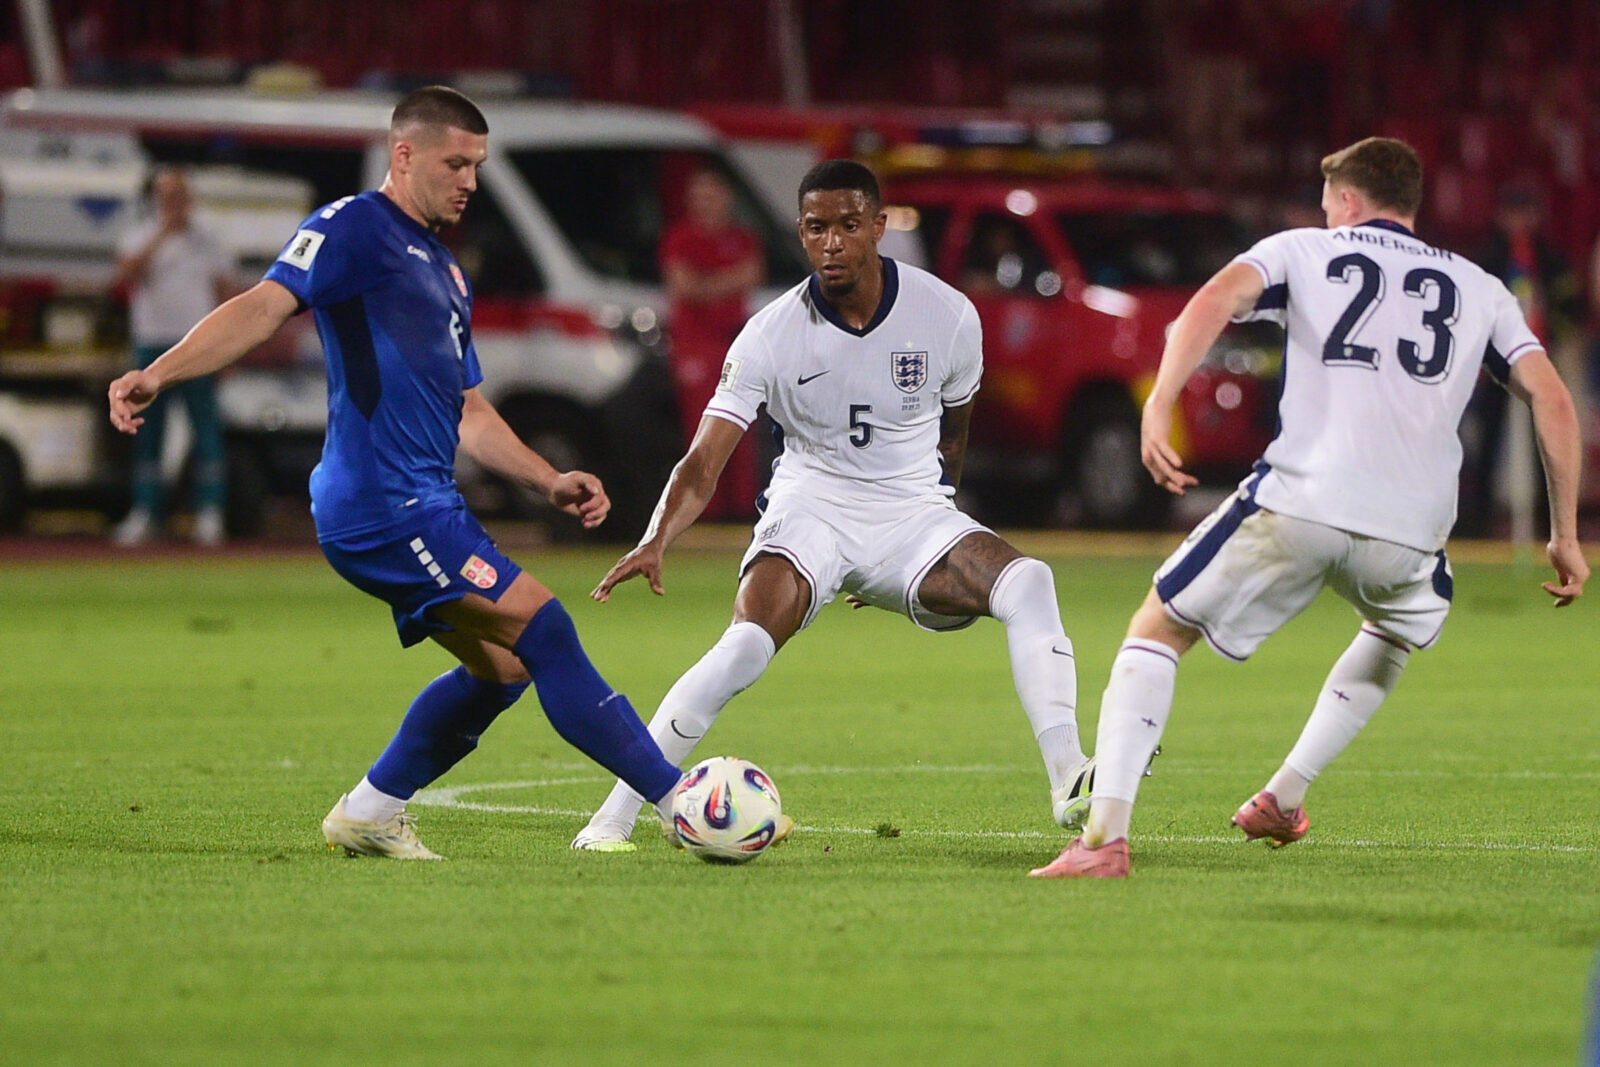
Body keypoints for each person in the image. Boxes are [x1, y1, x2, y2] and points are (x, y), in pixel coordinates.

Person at [108, 86, 684, 860]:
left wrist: (546, 478)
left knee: (504, 667)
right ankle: (686, 804)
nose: (470, 181)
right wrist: (162, 372)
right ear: (403, 155)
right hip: (384, 503)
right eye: (456, 163)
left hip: (425, 503)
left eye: (477, 166)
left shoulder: (447, 272)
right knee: (546, 629)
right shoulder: (351, 228)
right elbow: (262, 305)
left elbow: (469, 412)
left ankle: (371, 809)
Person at [1030, 137, 1589, 879]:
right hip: (1415, 528)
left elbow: (1214, 298)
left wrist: (1160, 398)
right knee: (1395, 627)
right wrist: (1566, 532)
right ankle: (1284, 795)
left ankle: (1102, 841)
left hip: (1303, 499)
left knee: (1158, 628)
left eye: (1331, 205)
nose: (1327, 217)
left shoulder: (1303, 249)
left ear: (1349, 201)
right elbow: (1551, 395)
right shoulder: (1480, 286)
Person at [570, 159, 1092, 852]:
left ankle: (1070, 781)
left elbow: (954, 434)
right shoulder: (770, 333)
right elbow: (705, 459)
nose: (834, 242)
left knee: (1030, 580)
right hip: (811, 509)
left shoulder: (947, 315)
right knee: (744, 648)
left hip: (912, 513)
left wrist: (935, 537)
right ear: (801, 233)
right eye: (817, 228)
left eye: (849, 225)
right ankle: (610, 818)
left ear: (878, 227)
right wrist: (656, 535)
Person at [110, 166, 233, 547]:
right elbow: (126, 276)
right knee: (147, 431)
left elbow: (227, 292)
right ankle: (147, 512)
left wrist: (228, 351)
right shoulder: (140, 233)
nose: (175, 203)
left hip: (197, 347)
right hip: (150, 345)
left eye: (180, 195)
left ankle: (210, 513)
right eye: (168, 196)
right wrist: (163, 233)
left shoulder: (209, 238)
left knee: (207, 431)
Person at [1458, 181, 1583, 537]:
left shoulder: (1551, 259)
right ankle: (1477, 525)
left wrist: (1554, 337)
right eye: (1512, 212)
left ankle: (1552, 526)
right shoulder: (1488, 258)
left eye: (1524, 211)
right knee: (1488, 442)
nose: (1518, 220)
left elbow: (1568, 308)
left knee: (1546, 443)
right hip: (1495, 367)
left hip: (1539, 361)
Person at [658, 168, 765, 522]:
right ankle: (703, 508)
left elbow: (750, 275)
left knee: (742, 428)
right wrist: (727, 282)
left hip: (734, 342)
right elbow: (685, 287)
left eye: (712, 195)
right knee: (702, 428)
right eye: (699, 197)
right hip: (695, 345)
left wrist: (708, 285)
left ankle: (739, 507)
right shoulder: (680, 239)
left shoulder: (742, 238)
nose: (706, 204)